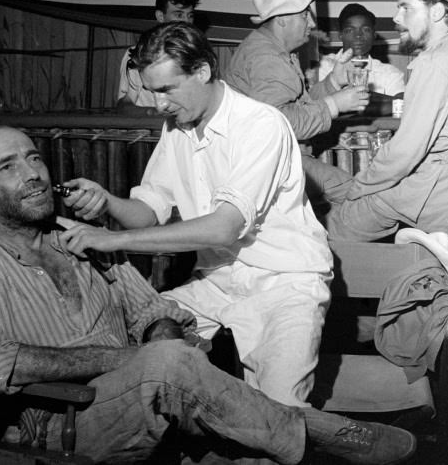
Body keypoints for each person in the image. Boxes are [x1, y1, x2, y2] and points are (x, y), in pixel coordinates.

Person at [0, 121, 416, 465]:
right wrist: (128, 360)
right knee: (168, 363)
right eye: (7, 167)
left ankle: (292, 436)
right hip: (56, 427)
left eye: (34, 157)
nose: (33, 173)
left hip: (143, 401)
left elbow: (154, 310)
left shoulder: (82, 240)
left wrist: (158, 339)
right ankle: (317, 430)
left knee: (258, 454)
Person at [59, 22, 333, 409]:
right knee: (129, 350)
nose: (159, 105)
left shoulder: (261, 125)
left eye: (167, 90)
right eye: (152, 92)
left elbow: (224, 229)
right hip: (216, 282)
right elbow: (149, 211)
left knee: (279, 414)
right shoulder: (178, 126)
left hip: (284, 283)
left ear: (202, 71)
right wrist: (107, 203)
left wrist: (111, 239)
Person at [326, 0, 448, 243]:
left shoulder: (435, 62)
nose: (397, 19)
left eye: (406, 8)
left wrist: (360, 186)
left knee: (333, 225)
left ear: (436, 12)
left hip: (445, 190)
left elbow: (404, 152)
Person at [223, 0, 369, 203]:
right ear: (281, 19)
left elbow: (297, 106)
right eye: (304, 16)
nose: (311, 23)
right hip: (268, 164)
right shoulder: (267, 57)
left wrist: (333, 82)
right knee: (356, 194)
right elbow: (278, 122)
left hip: (276, 159)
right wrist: (334, 104)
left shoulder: (272, 49)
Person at [116, 0, 200, 111]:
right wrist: (155, 115)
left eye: (190, 16)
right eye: (179, 15)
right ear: (161, 16)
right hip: (148, 129)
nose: (186, 22)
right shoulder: (139, 54)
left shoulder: (198, 57)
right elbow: (124, 106)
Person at [317, 3, 406, 97]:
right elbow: (311, 105)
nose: (358, 35)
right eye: (350, 30)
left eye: (365, 29)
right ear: (340, 35)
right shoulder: (322, 66)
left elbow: (399, 106)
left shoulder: (390, 74)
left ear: (373, 35)